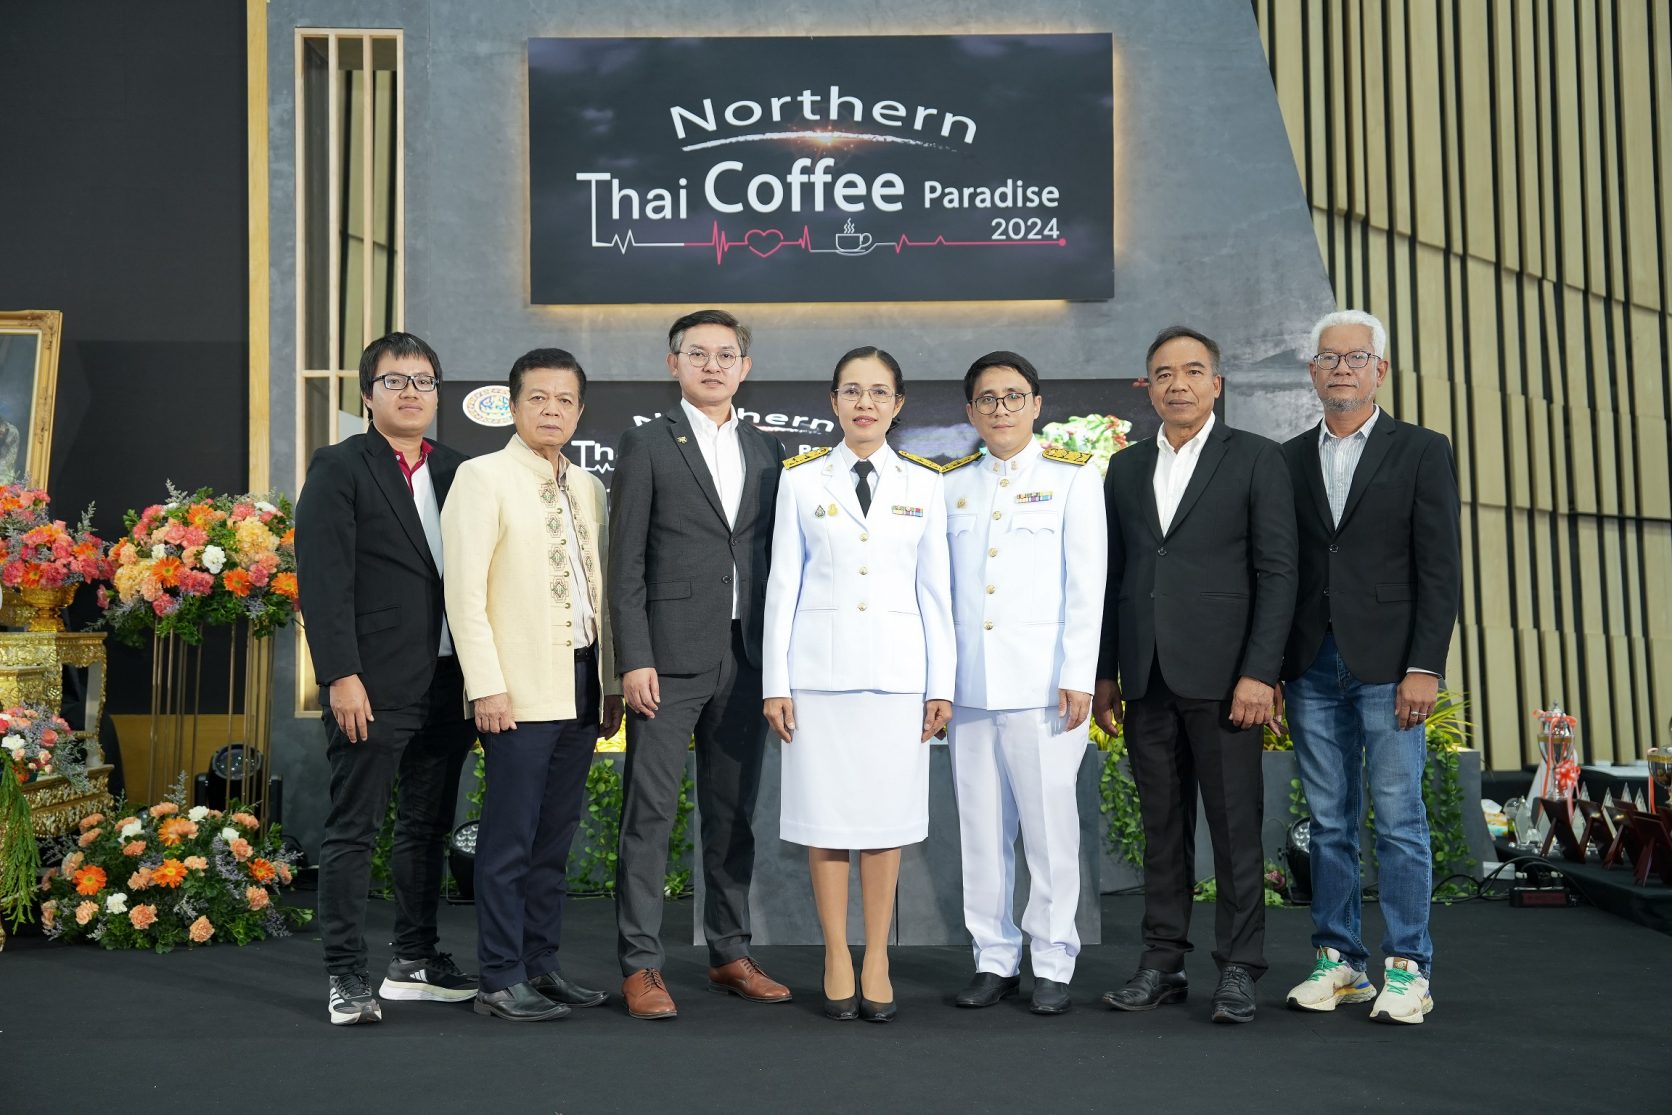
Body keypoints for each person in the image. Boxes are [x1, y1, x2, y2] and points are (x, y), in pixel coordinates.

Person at [1092, 325, 1296, 1025]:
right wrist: (1106, 672)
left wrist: (1260, 673)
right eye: (1163, 373)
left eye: (1191, 371)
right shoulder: (1123, 468)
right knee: (1162, 827)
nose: (1177, 384)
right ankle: (1162, 962)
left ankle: (1239, 967)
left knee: (1236, 830)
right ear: (1146, 386)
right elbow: (1115, 577)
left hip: (1228, 681)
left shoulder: (1257, 458)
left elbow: (1278, 573)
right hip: (1146, 676)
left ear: (1216, 383)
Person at [762, 346, 954, 1024]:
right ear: (834, 401)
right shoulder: (800, 479)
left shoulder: (925, 482)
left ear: (898, 404)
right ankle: (836, 953)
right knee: (825, 818)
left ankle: (876, 956)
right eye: (852, 391)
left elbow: (936, 593)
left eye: (878, 392)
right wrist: (776, 681)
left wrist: (940, 684)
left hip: (898, 679)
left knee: (883, 820)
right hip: (818, 677)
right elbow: (781, 585)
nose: (864, 403)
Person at [608, 309, 791, 1019]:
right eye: (697, 354)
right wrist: (634, 658)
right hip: (667, 661)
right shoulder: (647, 442)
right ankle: (641, 965)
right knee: (649, 813)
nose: (712, 365)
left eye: (725, 354)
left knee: (732, 814)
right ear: (673, 363)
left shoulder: (768, 448)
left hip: (746, 658)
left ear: (745, 366)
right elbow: (626, 560)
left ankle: (729, 952)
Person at [1279, 309, 1460, 1025]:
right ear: (1312, 372)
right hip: (1311, 664)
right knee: (1328, 820)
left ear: (1380, 370)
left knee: (1400, 819)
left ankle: (1409, 966)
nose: (1342, 368)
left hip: (1392, 666)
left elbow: (1439, 568)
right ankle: (1341, 961)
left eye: (1356, 357)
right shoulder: (1288, 458)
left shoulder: (1421, 449)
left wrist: (1425, 665)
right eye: (1329, 357)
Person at [295, 331, 477, 1026]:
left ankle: (415, 961)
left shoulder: (460, 470)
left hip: (451, 681)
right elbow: (323, 582)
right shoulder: (339, 466)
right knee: (355, 831)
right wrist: (341, 675)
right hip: (370, 684)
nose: (411, 392)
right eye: (395, 380)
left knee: (427, 828)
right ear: (368, 395)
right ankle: (346, 975)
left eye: (424, 381)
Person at [441, 348, 624, 1022]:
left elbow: (602, 598)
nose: (552, 409)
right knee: (509, 838)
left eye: (565, 399)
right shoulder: (482, 476)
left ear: (579, 410)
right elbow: (463, 595)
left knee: (554, 837)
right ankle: (499, 975)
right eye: (538, 398)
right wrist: (485, 685)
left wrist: (609, 683)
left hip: (581, 683)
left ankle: (541, 965)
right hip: (514, 690)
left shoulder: (590, 486)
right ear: (514, 406)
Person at [941, 351, 1106, 1016]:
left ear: (1037, 405)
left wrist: (1078, 674)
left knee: (1048, 831)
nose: (1001, 408)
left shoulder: (1073, 477)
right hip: (970, 687)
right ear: (970, 411)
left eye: (1014, 396)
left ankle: (1054, 959)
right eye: (987, 398)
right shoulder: (951, 484)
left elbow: (1087, 584)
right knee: (980, 833)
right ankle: (994, 956)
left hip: (1044, 688)